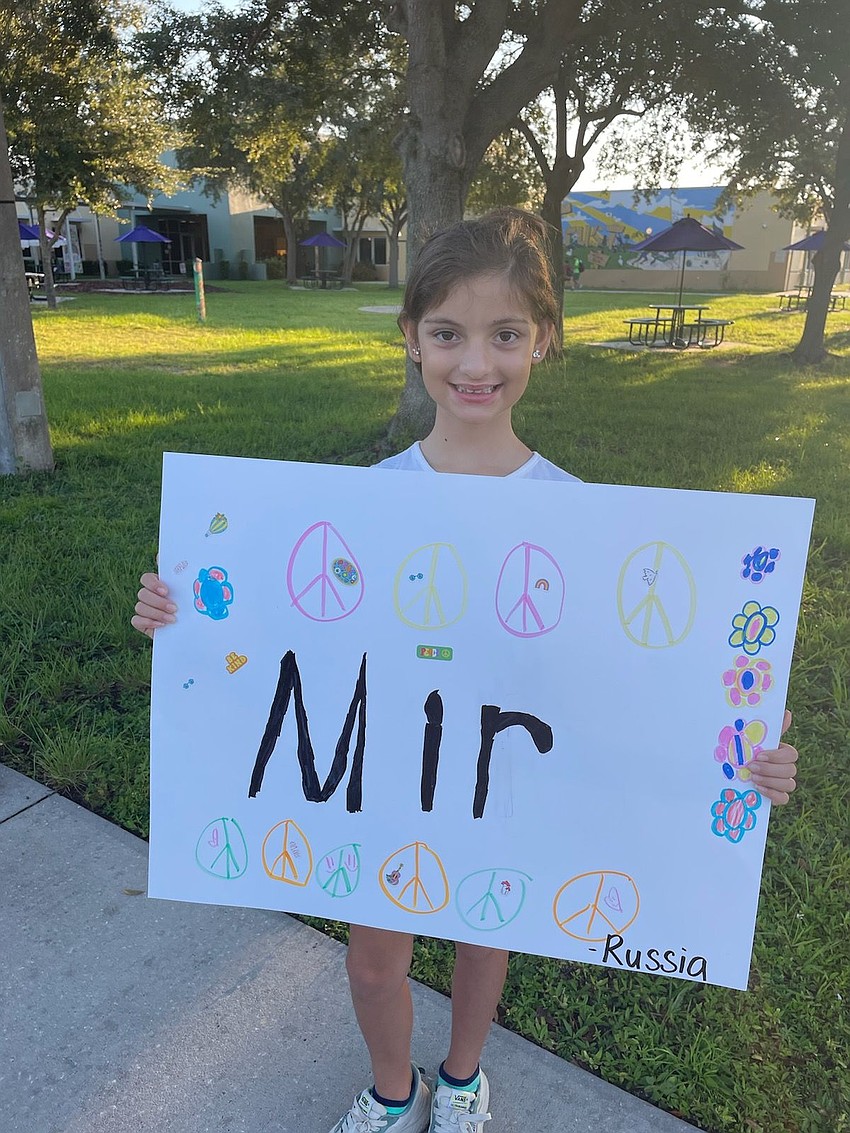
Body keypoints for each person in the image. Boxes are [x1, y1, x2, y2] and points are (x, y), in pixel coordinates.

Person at [132, 208, 800, 1133]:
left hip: (506, 780)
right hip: (387, 784)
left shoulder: (586, 522)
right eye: (448, 333)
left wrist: (745, 755)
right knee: (373, 964)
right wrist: (179, 617)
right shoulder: (366, 504)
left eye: (506, 335)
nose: (475, 363)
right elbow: (288, 627)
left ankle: (460, 1076)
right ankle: (392, 1086)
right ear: (412, 339)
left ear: (543, 341)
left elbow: (635, 684)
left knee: (488, 937)